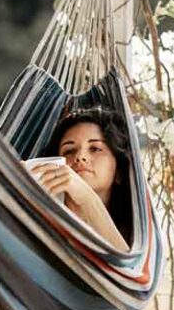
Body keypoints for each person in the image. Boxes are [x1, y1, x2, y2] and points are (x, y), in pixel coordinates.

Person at [28, 107, 132, 252]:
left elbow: (130, 270)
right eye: (69, 151)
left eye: (95, 148)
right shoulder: (38, 221)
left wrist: (86, 199)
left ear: (118, 172)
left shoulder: (135, 239)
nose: (80, 157)